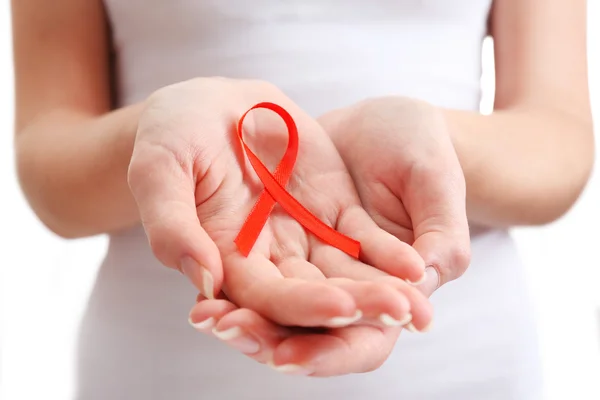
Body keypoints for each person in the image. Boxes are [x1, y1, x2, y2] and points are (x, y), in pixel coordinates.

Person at [10, 0, 593, 399]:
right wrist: (154, 142)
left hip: (463, 368)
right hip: (161, 369)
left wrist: (437, 148)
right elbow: (49, 156)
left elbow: (558, 138)